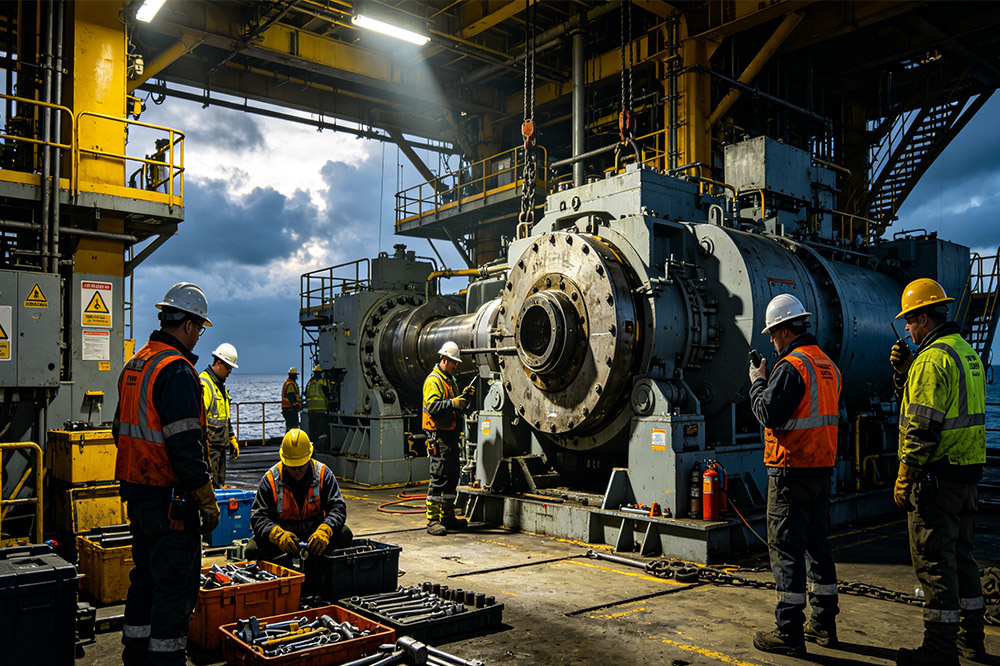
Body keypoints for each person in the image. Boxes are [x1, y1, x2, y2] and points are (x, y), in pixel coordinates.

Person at [113, 283, 220, 666]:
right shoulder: (176, 370)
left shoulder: (136, 364)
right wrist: (206, 500)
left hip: (137, 495)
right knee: (174, 587)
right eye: (200, 328)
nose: (198, 336)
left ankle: (135, 656)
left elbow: (119, 429)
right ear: (189, 325)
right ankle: (166, 661)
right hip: (169, 501)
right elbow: (186, 447)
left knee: (144, 579)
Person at [890, 278, 991, 666]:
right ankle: (972, 640)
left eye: (910, 322)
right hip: (967, 477)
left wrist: (905, 474)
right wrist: (904, 374)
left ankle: (939, 650)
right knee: (963, 559)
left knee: (934, 564)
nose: (908, 331)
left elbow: (922, 424)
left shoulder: (932, 360)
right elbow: (947, 407)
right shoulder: (965, 353)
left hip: (937, 479)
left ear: (924, 319)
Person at [748, 294, 843, 657]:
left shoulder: (792, 367)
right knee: (819, 547)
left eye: (773, 334)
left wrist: (758, 381)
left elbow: (768, 413)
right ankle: (822, 623)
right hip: (821, 470)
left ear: (786, 330)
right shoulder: (827, 366)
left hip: (791, 470)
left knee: (786, 549)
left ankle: (788, 632)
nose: (771, 341)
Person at [247, 428, 353, 562]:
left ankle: (323, 572)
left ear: (308, 458)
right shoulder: (270, 480)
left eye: (301, 466)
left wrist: (325, 530)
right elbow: (258, 517)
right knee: (252, 550)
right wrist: (278, 535)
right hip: (285, 541)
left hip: (316, 538)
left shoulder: (323, 475)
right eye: (292, 467)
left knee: (345, 534)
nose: (297, 471)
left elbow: (337, 508)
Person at [422, 341, 474, 536]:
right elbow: (433, 407)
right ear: (444, 360)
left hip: (450, 437)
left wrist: (463, 398)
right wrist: (454, 402)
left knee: (452, 478)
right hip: (439, 437)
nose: (456, 366)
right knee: (438, 479)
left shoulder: (449, 380)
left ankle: (447, 517)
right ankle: (432, 521)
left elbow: (453, 406)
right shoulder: (433, 381)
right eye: (453, 362)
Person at [200, 343, 240, 488]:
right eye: (228, 368)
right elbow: (199, 419)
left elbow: (225, 416)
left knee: (219, 485)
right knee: (210, 487)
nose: (230, 372)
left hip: (220, 448)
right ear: (218, 363)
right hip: (209, 449)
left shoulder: (219, 386)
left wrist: (231, 437)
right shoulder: (205, 384)